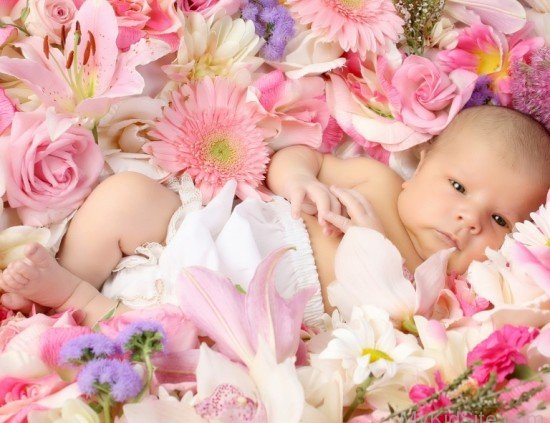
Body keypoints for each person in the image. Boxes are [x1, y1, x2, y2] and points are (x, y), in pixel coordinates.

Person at [0, 106, 548, 326]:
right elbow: (297, 157)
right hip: (207, 235)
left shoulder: (440, 291)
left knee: (175, 348)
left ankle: (75, 300)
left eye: (500, 220)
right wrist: (302, 183)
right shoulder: (377, 181)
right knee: (127, 196)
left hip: (248, 320)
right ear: (423, 159)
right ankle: (65, 273)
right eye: (457, 186)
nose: (468, 219)